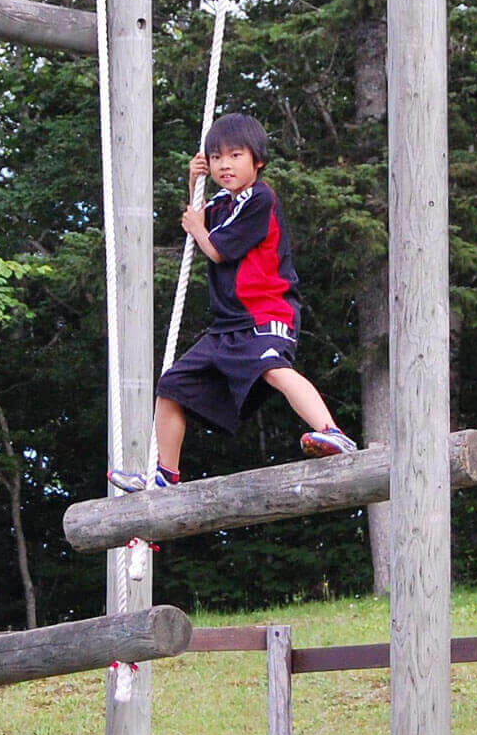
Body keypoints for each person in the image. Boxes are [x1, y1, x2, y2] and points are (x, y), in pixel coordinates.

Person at [108, 113, 356, 493]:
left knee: (273, 367)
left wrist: (196, 227)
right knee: (173, 385)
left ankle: (332, 432)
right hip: (228, 325)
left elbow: (217, 248)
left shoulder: (260, 199)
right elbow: (199, 212)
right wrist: (194, 180)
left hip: (267, 312)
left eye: (235, 156)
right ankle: (165, 475)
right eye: (217, 157)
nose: (225, 165)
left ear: (257, 161)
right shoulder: (225, 201)